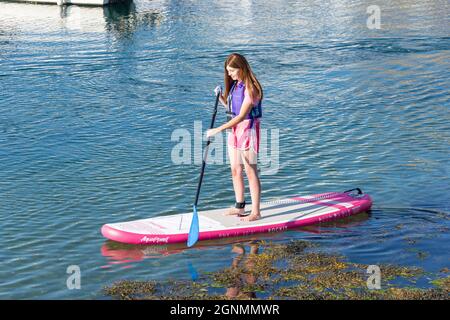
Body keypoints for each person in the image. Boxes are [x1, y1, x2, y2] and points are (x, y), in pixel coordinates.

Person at [206, 53, 263, 222]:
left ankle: (256, 212)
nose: (229, 74)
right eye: (228, 71)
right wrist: (221, 97)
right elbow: (233, 110)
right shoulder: (235, 85)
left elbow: (241, 116)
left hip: (247, 130)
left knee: (250, 171)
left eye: (232, 71)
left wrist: (217, 130)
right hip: (234, 131)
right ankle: (240, 206)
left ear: (241, 68)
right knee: (235, 170)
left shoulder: (251, 88)